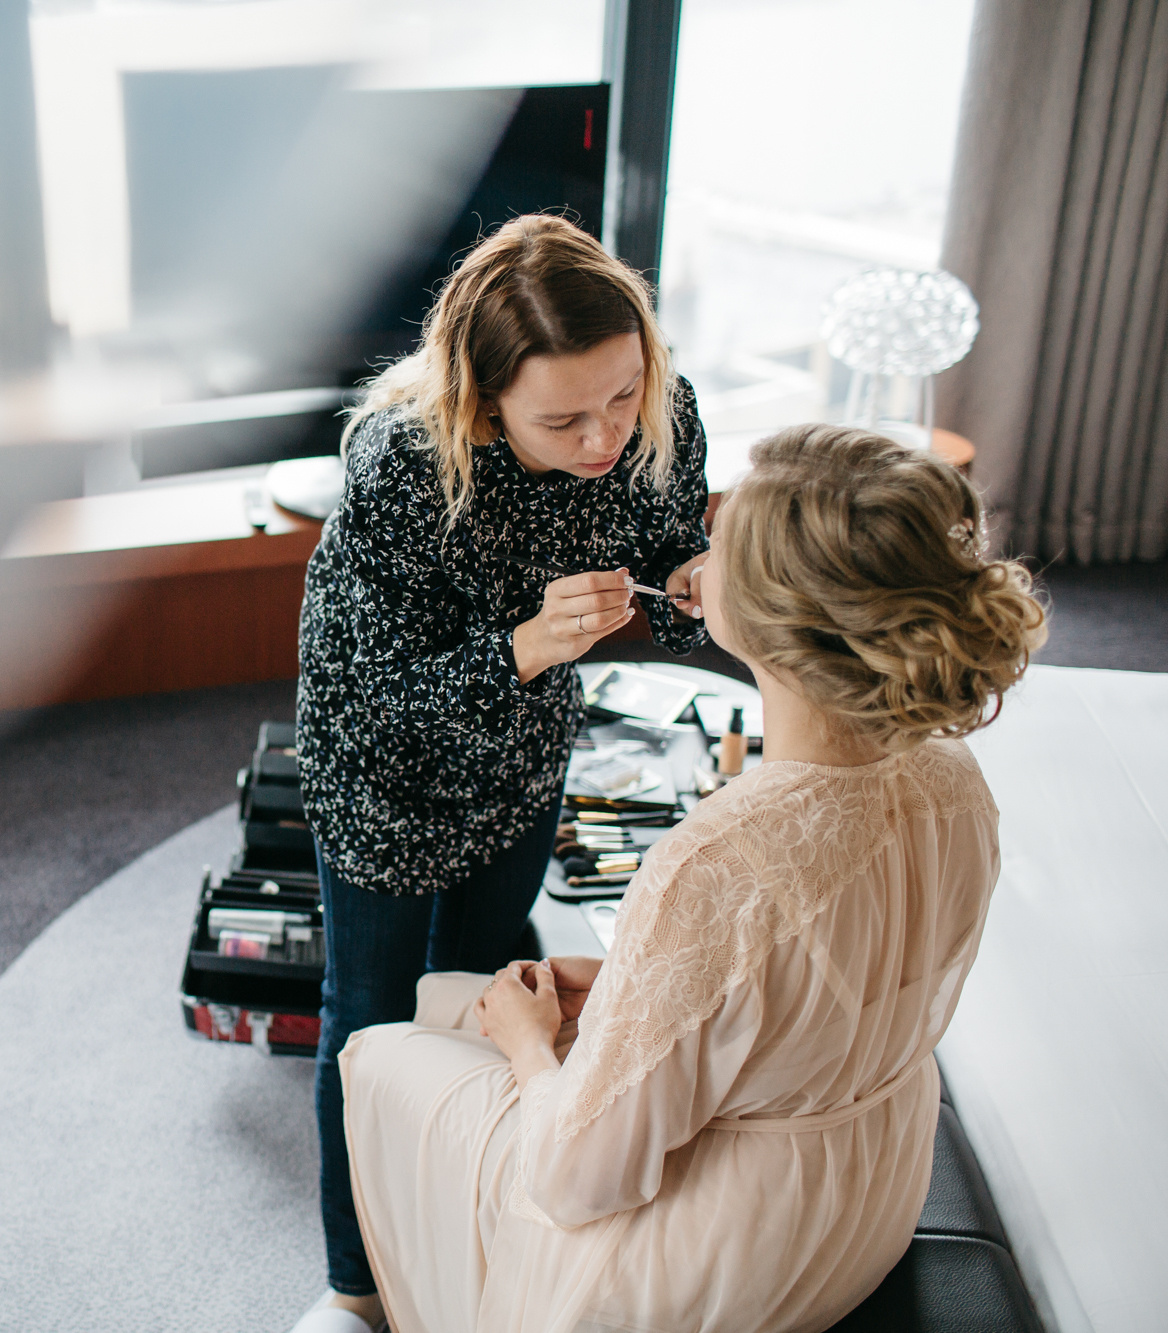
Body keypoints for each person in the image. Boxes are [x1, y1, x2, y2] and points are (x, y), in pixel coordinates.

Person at [337, 424, 1049, 1332]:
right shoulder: (954, 781)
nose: (699, 562)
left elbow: (572, 1175)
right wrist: (641, 986)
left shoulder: (716, 864)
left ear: (772, 621)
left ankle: (359, 1300)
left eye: (721, 547)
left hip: (730, 1258)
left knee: (392, 1051)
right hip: (867, 1194)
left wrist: (528, 1043)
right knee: (454, 1003)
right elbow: (834, 983)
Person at [291, 214, 712, 1331]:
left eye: (621, 394)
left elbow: (669, 545)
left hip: (521, 752)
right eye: (563, 419)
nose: (604, 436)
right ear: (482, 405)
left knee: (487, 980)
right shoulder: (404, 467)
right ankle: (355, 1284)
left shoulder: (656, 412)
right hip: (380, 770)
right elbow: (381, 703)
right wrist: (525, 646)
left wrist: (697, 578)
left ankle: (460, 1217)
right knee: (370, 1013)